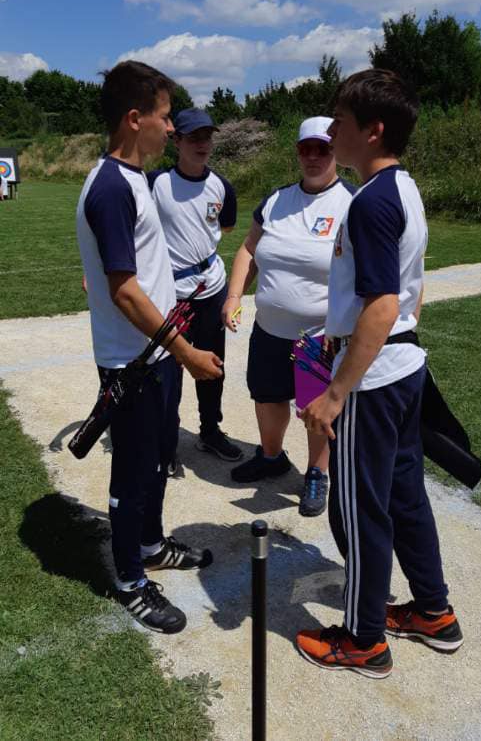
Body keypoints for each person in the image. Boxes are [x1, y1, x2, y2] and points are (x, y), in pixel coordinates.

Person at [297, 69, 463, 677]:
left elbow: (383, 305)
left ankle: (363, 639)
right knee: (404, 496)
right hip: (402, 366)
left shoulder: (369, 202)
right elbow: (406, 294)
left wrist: (336, 391)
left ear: (373, 130)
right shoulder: (403, 187)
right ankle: (433, 611)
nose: (331, 132)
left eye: (340, 122)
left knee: (361, 509)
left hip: (372, 378)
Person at [76, 61, 222, 635]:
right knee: (132, 475)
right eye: (165, 117)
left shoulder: (134, 179)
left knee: (159, 459)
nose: (171, 127)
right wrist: (186, 350)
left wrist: (173, 353)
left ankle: (151, 545)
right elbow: (125, 292)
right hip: (132, 363)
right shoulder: (112, 187)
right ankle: (131, 579)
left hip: (154, 357)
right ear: (135, 119)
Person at [222, 117, 355, 516]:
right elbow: (248, 249)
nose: (313, 157)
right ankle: (271, 457)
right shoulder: (276, 200)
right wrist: (234, 295)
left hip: (318, 334)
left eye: (322, 148)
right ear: (297, 152)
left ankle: (316, 473)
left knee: (315, 407)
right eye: (305, 149)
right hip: (268, 329)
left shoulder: (352, 203)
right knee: (267, 397)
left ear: (335, 151)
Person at [149, 108, 242, 468]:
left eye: (207, 136)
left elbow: (225, 228)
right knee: (167, 369)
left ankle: (210, 431)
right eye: (193, 137)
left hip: (211, 290)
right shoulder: (155, 183)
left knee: (212, 365)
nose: (202, 144)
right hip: (170, 293)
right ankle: (165, 439)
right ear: (177, 141)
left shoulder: (222, 186)